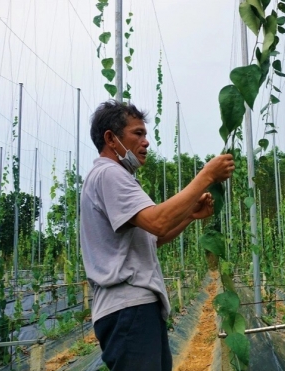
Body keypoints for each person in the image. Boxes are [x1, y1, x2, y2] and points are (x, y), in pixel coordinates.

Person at [80, 100, 235, 371]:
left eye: (145, 134)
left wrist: (188, 216)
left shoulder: (114, 177)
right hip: (128, 308)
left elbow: (153, 239)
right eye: (137, 134)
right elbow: (158, 222)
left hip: (132, 308)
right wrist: (206, 175)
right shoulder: (109, 174)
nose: (146, 142)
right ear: (110, 138)